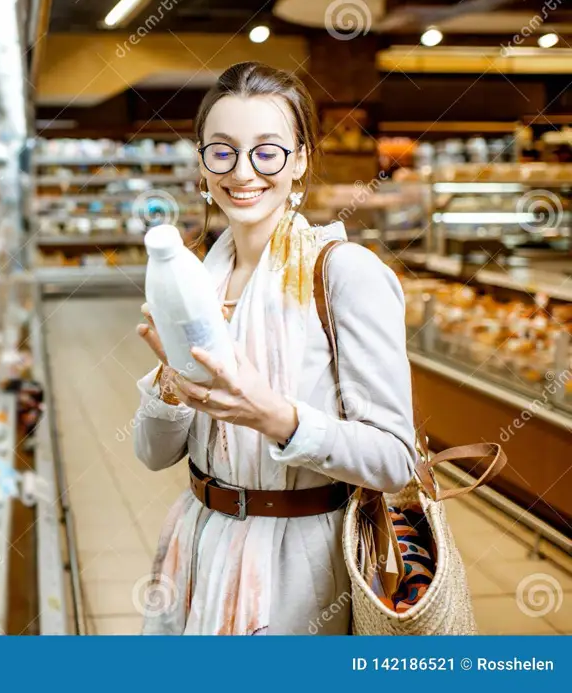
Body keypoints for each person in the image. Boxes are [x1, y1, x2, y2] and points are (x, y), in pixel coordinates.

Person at [133, 61, 418, 635]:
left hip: (302, 567)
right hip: (200, 548)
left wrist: (281, 420)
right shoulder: (194, 284)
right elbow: (153, 453)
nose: (243, 172)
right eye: (222, 151)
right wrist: (171, 381)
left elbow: (395, 460)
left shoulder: (343, 274)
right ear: (201, 162)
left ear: (301, 159)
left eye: (268, 151)